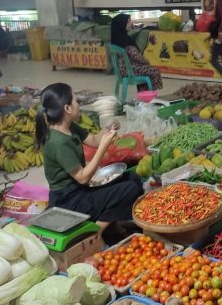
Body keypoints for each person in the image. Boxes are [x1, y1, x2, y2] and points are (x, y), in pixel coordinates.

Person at [35, 82, 144, 234]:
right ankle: (95, 233)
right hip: (68, 200)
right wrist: (103, 148)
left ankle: (113, 225)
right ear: (67, 108)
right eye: (75, 100)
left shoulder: (69, 128)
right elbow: (83, 177)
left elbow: (94, 140)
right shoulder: (58, 142)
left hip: (78, 189)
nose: (78, 103)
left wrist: (108, 127)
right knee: (128, 190)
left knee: (132, 178)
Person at [111, 14, 162, 91]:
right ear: (121, 24)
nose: (131, 23)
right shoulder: (126, 41)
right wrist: (146, 61)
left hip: (122, 69)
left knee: (145, 68)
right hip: (129, 70)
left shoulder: (116, 38)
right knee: (154, 71)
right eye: (128, 22)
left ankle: (143, 93)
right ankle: (148, 94)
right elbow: (136, 56)